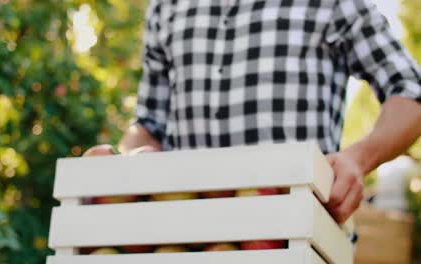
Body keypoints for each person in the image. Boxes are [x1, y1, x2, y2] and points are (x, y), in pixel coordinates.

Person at [86, 0, 421, 231]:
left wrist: (357, 159)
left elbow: (410, 92)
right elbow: (149, 123)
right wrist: (122, 167)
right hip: (186, 238)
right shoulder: (167, 6)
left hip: (298, 236)